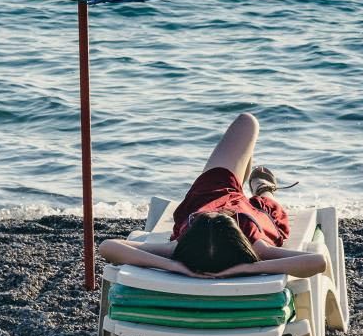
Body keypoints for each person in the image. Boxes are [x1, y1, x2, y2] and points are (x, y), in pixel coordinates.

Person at [97, 112, 330, 279]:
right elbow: (318, 262)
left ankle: (251, 185)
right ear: (238, 237)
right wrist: (248, 268)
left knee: (246, 124)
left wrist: (174, 267)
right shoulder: (259, 249)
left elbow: (107, 246)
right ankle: (262, 189)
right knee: (249, 126)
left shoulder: (176, 251)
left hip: (210, 196)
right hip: (250, 215)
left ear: (191, 231)